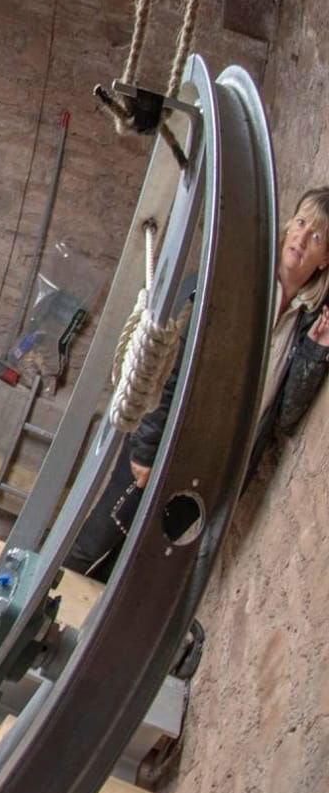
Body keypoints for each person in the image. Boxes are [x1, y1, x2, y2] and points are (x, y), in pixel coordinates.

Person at [65, 187, 329, 580]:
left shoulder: (307, 320)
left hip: (213, 470)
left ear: (325, 258)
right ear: (289, 224)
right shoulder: (242, 284)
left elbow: (284, 418)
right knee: (100, 538)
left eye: (318, 237)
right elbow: (176, 362)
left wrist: (314, 352)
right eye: (302, 224)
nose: (303, 239)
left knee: (138, 568)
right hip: (171, 438)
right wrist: (147, 447)